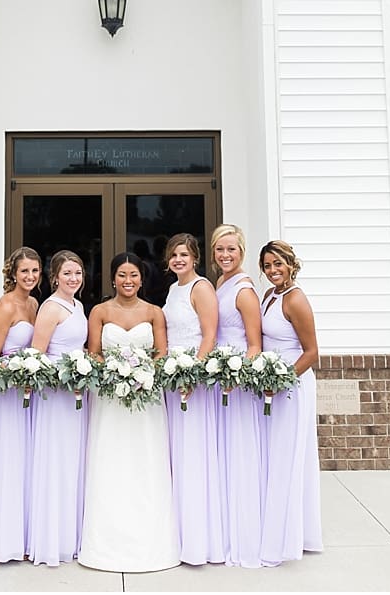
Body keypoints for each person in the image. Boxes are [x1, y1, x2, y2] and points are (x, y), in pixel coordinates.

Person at [77, 252, 179, 572]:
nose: (128, 281)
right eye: (122, 275)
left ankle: (150, 537)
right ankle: (106, 539)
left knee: (145, 459)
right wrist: (115, 372)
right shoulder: (99, 311)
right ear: (112, 279)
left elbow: (161, 354)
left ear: (142, 278)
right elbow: (93, 354)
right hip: (109, 398)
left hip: (146, 397)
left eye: (133, 275)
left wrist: (142, 374)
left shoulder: (154, 312)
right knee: (111, 460)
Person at [257, 240, 323, 565]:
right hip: (272, 383)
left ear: (291, 264)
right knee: (276, 456)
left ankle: (290, 536)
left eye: (278, 264)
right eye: (267, 266)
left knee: (289, 455)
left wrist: (280, 381)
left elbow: (311, 352)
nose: (272, 271)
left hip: (292, 386)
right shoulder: (270, 295)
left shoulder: (296, 299)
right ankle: (281, 526)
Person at [162, 232, 224, 565]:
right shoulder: (173, 290)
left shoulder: (202, 288)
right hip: (174, 376)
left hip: (193, 380)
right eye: (174, 255)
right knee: (178, 451)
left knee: (194, 451)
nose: (178, 260)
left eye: (184, 254)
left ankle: (199, 537)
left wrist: (193, 374)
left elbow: (210, 334)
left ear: (195, 257)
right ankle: (179, 529)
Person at [26, 249, 89, 567]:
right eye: (67, 273)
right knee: (56, 461)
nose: (73, 278)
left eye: (77, 273)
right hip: (56, 395)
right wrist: (64, 378)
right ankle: (52, 540)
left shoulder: (78, 306)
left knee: (73, 462)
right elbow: (38, 355)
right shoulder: (50, 308)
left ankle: (72, 534)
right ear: (54, 277)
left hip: (77, 396)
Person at [0, 246, 40, 563]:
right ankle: (3, 540)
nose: (30, 276)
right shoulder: (5, 305)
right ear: (13, 274)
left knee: (24, 462)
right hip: (7, 394)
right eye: (24, 271)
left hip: (27, 394)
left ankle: (24, 533)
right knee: (8, 460)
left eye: (34, 271)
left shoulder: (32, 303)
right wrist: (15, 370)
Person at [211, 223, 265, 568]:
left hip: (236, 380)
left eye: (231, 249)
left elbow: (255, 344)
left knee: (238, 450)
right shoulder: (219, 283)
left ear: (242, 250)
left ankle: (243, 530)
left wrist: (238, 377)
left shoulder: (245, 291)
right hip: (218, 372)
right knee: (223, 451)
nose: (225, 255)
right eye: (220, 249)